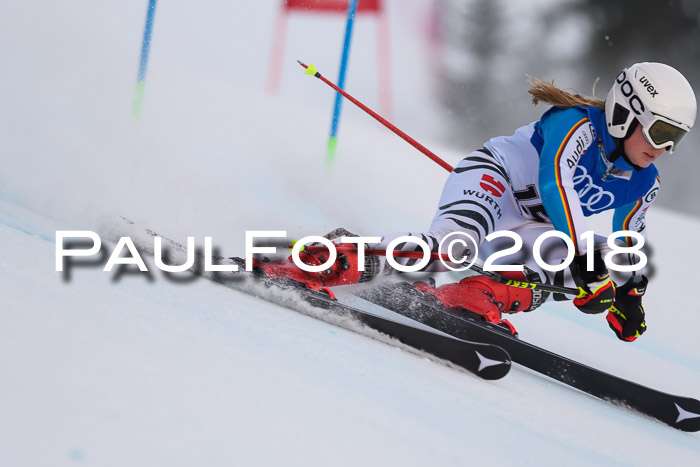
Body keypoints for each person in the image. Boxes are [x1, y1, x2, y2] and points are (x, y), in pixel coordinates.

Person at [255, 62, 697, 342]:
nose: (663, 148)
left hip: (531, 227)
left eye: (675, 139)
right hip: (495, 180)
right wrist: (585, 260)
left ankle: (472, 294)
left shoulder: (643, 181)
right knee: (452, 248)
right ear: (626, 111)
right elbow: (555, 184)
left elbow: (627, 243)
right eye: (660, 132)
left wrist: (628, 293)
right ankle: (326, 260)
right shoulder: (576, 125)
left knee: (562, 271)